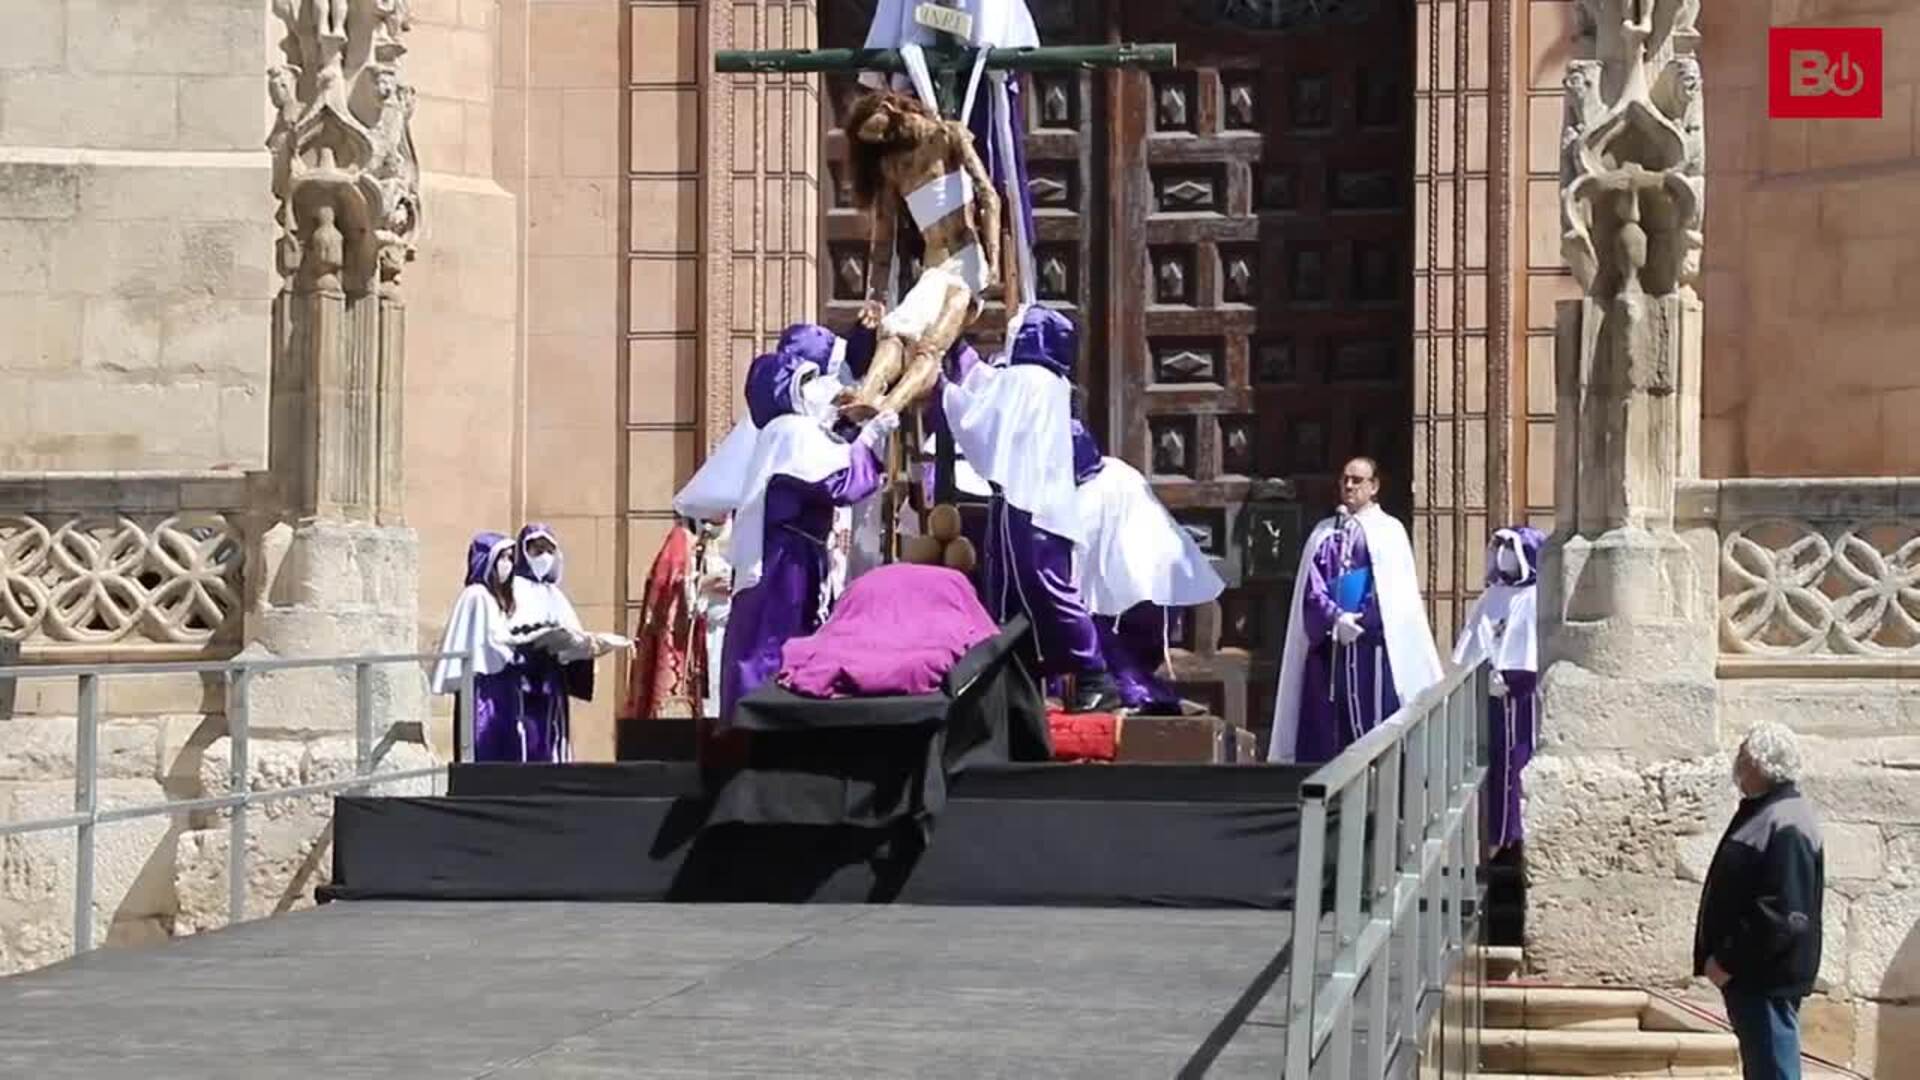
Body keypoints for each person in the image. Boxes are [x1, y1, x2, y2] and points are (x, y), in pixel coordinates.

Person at [717, 341, 894, 752]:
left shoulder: (794, 433)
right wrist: (870, 439)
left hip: (796, 554)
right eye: (809, 381)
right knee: (774, 643)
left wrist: (855, 431)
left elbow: (829, 457)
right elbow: (836, 482)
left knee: (783, 640)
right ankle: (762, 732)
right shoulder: (790, 432)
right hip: (785, 561)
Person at [942, 307, 1116, 711]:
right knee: (1011, 590)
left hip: (1030, 505)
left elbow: (979, 409)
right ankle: (1014, 677)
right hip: (1028, 501)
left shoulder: (1027, 380)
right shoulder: (1045, 382)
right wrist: (958, 349)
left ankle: (1094, 672)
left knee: (1044, 585)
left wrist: (943, 387)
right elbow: (987, 384)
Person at [1267, 457, 1443, 764]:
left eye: (1357, 480)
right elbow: (1313, 586)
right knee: (1328, 727)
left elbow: (1390, 592)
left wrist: (1363, 618)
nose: (1349, 486)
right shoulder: (1324, 532)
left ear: (1374, 487)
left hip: (1371, 649)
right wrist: (1336, 617)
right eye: (1345, 479)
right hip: (1332, 647)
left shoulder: (1389, 531)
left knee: (1373, 726)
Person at [1695, 723, 1824, 1080]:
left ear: (1758, 764)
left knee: (1774, 1070)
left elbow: (1784, 914)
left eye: (1743, 756)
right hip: (1755, 976)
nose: (1737, 765)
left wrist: (1728, 960)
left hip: (1764, 977)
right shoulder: (1767, 811)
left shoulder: (1786, 821)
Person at [1069, 419, 1224, 713]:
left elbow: (1075, 569)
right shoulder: (1118, 470)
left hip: (1131, 592)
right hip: (1160, 580)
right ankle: (1147, 694)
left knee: (1097, 638)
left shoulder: (1088, 493)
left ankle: (1138, 695)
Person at [1452, 526, 1545, 852]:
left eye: (1511, 546)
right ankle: (1493, 840)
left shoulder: (1536, 597)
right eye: (1499, 545)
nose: (1503, 552)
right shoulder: (1492, 595)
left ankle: (1517, 840)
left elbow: (1533, 654)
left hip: (1519, 702)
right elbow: (1471, 645)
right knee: (1490, 772)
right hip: (1488, 700)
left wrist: (1511, 678)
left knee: (1517, 767)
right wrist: (1482, 671)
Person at [507, 524, 625, 763]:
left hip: (552, 679)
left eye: (549, 550)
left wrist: (593, 645)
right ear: (523, 551)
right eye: (536, 550)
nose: (543, 557)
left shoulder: (555, 594)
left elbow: (574, 635)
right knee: (526, 735)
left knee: (553, 734)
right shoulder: (513, 589)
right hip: (522, 678)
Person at [428, 531, 527, 761]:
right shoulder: (478, 596)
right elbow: (491, 642)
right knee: (482, 741)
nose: (507, 564)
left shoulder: (496, 598)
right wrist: (520, 652)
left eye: (511, 558)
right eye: (502, 558)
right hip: (484, 685)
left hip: (500, 682)